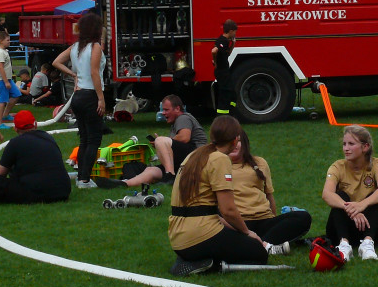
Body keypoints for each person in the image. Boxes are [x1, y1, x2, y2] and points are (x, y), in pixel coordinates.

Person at [168, 115, 268, 275]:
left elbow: (209, 211)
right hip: (199, 234)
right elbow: (228, 210)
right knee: (259, 253)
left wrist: (240, 233)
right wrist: (248, 232)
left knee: (240, 241)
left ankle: (191, 258)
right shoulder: (220, 159)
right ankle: (208, 265)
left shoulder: (194, 155)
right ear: (235, 140)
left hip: (178, 236)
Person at [227, 131, 311, 255]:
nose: (234, 145)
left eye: (237, 141)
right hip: (239, 223)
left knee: (303, 217)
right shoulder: (218, 166)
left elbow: (269, 195)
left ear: (244, 143)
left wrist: (274, 220)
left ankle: (261, 244)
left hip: (264, 220)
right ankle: (267, 246)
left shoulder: (260, 162)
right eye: (229, 141)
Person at [52, 12, 107, 189]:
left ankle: (82, 177)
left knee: (84, 139)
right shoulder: (95, 47)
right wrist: (101, 98)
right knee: (94, 139)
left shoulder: (75, 47)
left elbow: (56, 62)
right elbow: (94, 72)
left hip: (78, 96)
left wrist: (73, 74)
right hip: (91, 95)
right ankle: (84, 179)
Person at [321, 125, 378, 261]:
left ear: (365, 147)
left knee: (374, 197)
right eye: (344, 144)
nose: (345, 148)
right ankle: (344, 245)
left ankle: (367, 243)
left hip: (369, 226)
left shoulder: (377, 164)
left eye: (351, 144)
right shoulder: (337, 166)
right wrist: (352, 209)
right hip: (341, 228)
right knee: (340, 197)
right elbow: (326, 194)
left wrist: (362, 205)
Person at [0, 110, 71, 204]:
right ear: (36, 125)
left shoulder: (15, 143)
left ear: (16, 129)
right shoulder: (48, 138)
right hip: (63, 189)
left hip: (36, 190)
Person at [122, 94, 207, 187]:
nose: (163, 113)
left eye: (166, 110)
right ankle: (125, 183)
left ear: (177, 109)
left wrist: (162, 141)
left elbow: (184, 138)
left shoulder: (183, 118)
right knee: (151, 170)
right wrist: (161, 144)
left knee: (160, 140)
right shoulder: (176, 123)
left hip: (198, 157)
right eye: (163, 110)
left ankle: (170, 175)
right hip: (184, 162)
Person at [0, 30, 21, 124]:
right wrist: (6, 82)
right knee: (2, 101)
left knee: (16, 95)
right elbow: (0, 67)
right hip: (1, 80)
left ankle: (5, 115)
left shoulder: (4, 51)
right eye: (7, 40)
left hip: (6, 79)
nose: (9, 42)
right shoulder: (0, 52)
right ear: (1, 41)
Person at [212, 19, 237, 117]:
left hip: (225, 71)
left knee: (232, 93)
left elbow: (228, 54)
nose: (235, 34)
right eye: (234, 32)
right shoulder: (222, 41)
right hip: (222, 71)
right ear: (231, 31)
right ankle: (223, 115)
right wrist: (215, 62)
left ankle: (230, 111)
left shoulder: (226, 41)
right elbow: (214, 51)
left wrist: (233, 44)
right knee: (225, 93)